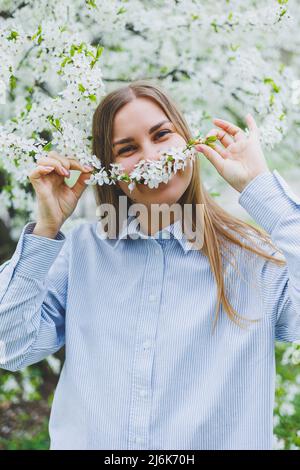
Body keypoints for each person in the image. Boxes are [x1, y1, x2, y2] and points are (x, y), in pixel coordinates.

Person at [0, 80, 299, 450]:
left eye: (162, 135)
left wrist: (261, 188)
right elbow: (10, 347)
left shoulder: (254, 259)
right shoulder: (79, 253)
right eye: (127, 148)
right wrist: (46, 228)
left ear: (188, 141)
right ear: (108, 169)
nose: (151, 157)